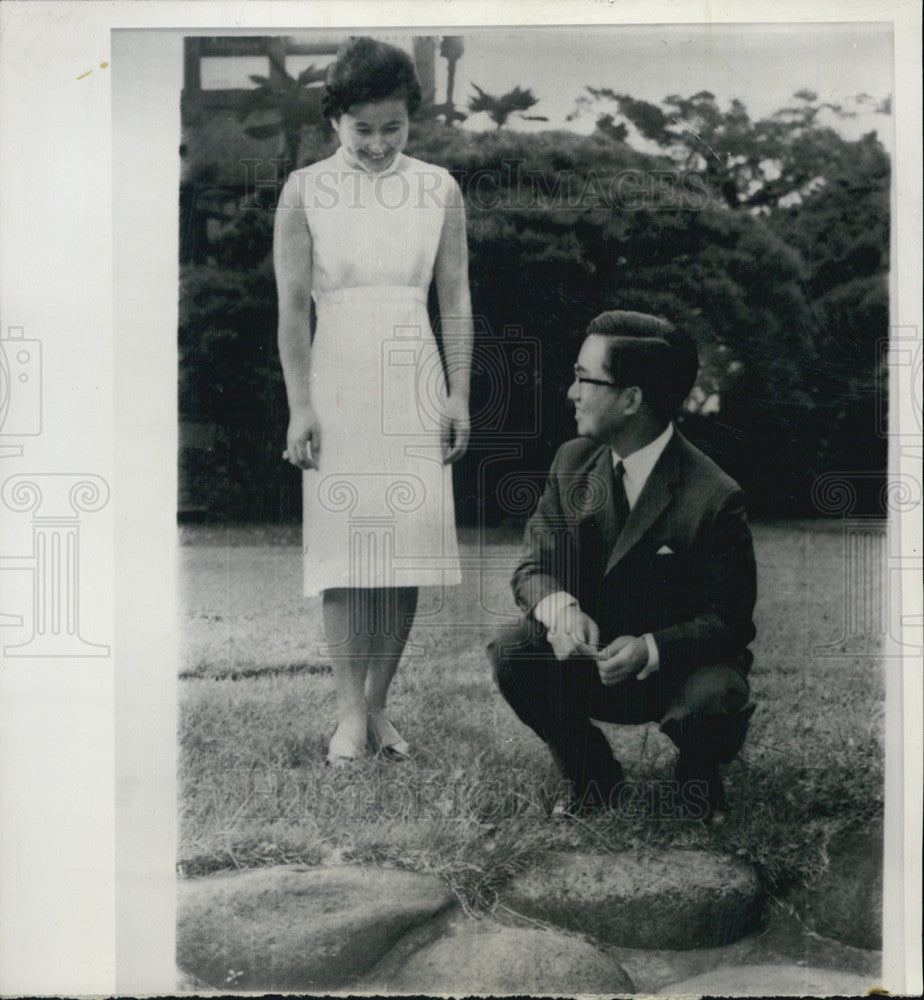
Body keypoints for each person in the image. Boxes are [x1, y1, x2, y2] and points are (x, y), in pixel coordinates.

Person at [274, 38, 473, 765]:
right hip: (337, 376)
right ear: (336, 120)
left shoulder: (439, 188)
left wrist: (459, 394)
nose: (380, 144)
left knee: (405, 549)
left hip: (413, 375)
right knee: (347, 553)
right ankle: (347, 713)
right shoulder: (303, 190)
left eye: (394, 128)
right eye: (364, 130)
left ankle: (379, 704)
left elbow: (453, 298)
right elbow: (293, 309)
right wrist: (300, 407)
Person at [488, 311, 756, 819]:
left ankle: (697, 778)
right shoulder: (572, 461)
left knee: (717, 696)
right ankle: (592, 774)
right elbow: (532, 567)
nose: (572, 392)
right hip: (589, 666)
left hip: (676, 674)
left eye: (585, 379)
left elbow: (729, 623)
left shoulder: (715, 495)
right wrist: (561, 610)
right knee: (513, 648)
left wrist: (651, 647)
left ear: (632, 399)